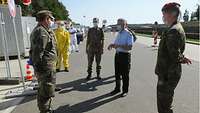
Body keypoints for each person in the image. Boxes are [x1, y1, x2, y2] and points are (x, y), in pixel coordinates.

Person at [155, 2, 192, 113]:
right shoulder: (173, 28)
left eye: (164, 13)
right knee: (165, 103)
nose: (163, 16)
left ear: (172, 14)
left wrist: (182, 58)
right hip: (168, 72)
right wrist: (182, 58)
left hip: (167, 74)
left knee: (164, 106)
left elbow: (174, 54)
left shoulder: (174, 30)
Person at [29, 10, 57, 113]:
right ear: (46, 19)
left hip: (47, 68)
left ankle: (47, 109)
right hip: (45, 69)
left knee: (47, 91)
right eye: (51, 19)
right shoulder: (41, 32)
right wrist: (39, 70)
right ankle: (45, 111)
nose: (52, 21)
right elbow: (37, 53)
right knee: (45, 92)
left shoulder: (44, 30)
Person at [108, 18, 134, 97]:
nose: (118, 25)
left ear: (125, 25)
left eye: (120, 24)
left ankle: (125, 90)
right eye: (117, 24)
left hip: (125, 56)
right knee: (117, 73)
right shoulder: (119, 33)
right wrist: (112, 45)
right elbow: (116, 44)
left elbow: (130, 47)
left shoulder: (128, 34)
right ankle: (117, 88)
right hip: (118, 55)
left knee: (125, 75)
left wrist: (118, 46)